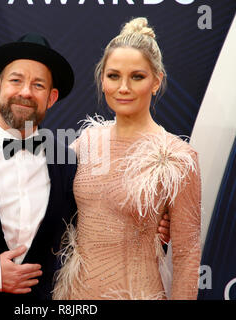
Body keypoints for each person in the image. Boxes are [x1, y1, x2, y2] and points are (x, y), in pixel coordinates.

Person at [0, 33, 170, 301]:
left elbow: (95, 228)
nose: (25, 92)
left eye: (38, 85)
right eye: (16, 80)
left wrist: (152, 228)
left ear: (50, 98)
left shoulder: (68, 163)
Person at [52, 18, 201, 300]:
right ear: (102, 80)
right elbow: (37, 181)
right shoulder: (85, 142)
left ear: (156, 81)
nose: (123, 87)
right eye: (113, 76)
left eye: (137, 77)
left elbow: (186, 255)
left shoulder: (178, 158)